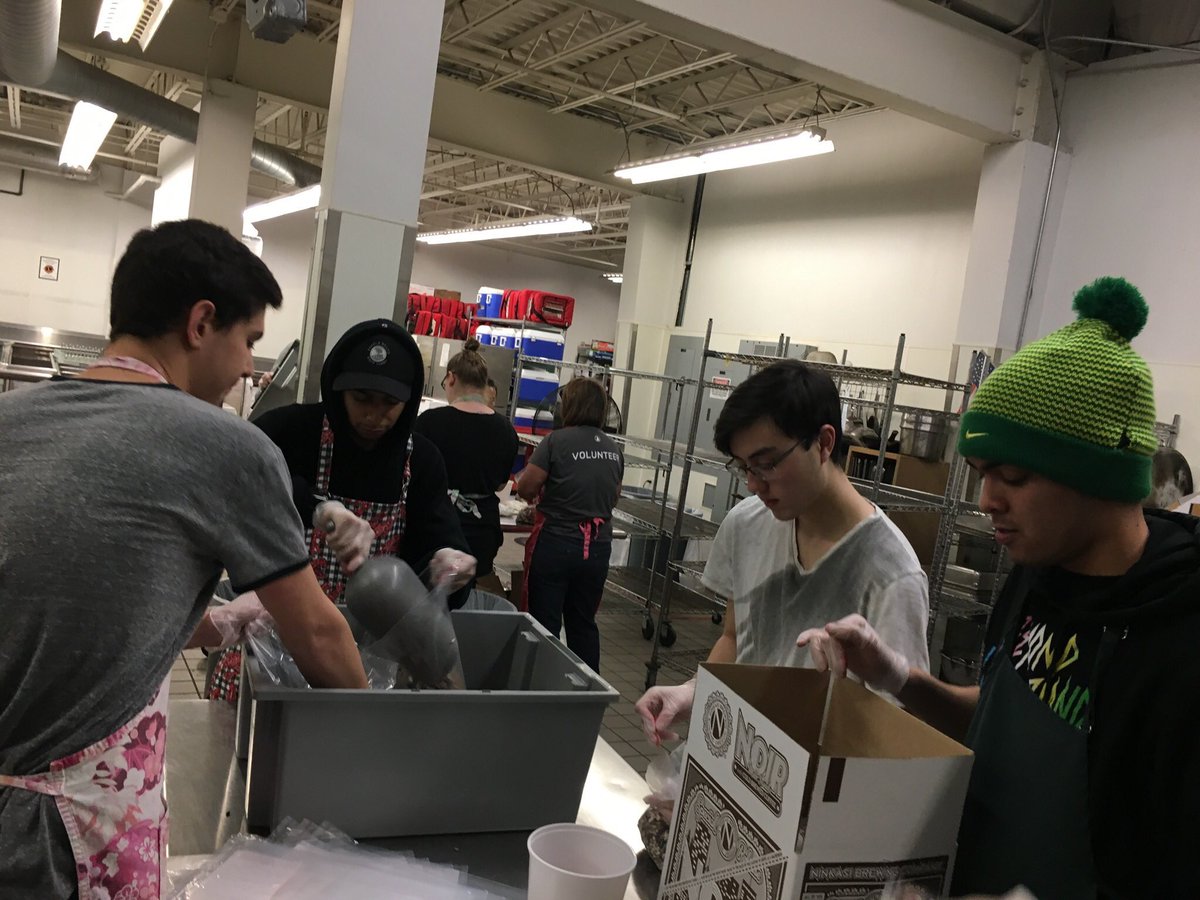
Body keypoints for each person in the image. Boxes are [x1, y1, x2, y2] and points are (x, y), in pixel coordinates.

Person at [797, 277, 1200, 898]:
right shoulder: (1037, 577)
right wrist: (898, 677)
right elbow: (997, 717)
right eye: (983, 473)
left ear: (1098, 476)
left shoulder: (1176, 641)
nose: (987, 500)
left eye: (1013, 475)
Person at [0, 220, 367, 898]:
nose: (251, 368)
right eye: (249, 341)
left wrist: (212, 621)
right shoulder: (225, 446)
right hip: (69, 843)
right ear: (201, 323)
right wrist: (383, 741)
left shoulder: (13, 418)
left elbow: (67, 602)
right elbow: (317, 631)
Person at [636, 359, 930, 744]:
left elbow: (893, 725)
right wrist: (694, 692)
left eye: (766, 464)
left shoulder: (891, 574)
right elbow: (735, 638)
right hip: (737, 753)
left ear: (824, 443)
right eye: (743, 468)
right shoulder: (747, 524)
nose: (754, 484)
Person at [254, 318, 475, 604]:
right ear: (338, 390)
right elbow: (238, 481)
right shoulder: (291, 431)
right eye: (362, 398)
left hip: (373, 632)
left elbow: (438, 536)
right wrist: (317, 507)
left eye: (390, 403)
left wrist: (447, 562)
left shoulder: (421, 459)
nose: (374, 415)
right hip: (279, 618)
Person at [515, 377, 623, 671]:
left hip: (557, 544)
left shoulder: (555, 442)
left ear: (569, 406)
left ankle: (543, 692)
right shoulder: (614, 448)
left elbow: (526, 488)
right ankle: (586, 695)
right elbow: (613, 497)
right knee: (583, 624)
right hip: (598, 548)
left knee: (545, 623)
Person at [414, 339, 519, 586]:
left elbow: (413, 476)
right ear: (484, 385)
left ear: (451, 378)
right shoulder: (506, 430)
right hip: (483, 531)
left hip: (437, 525)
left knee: (431, 596)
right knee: (470, 597)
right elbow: (501, 483)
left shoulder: (428, 422)